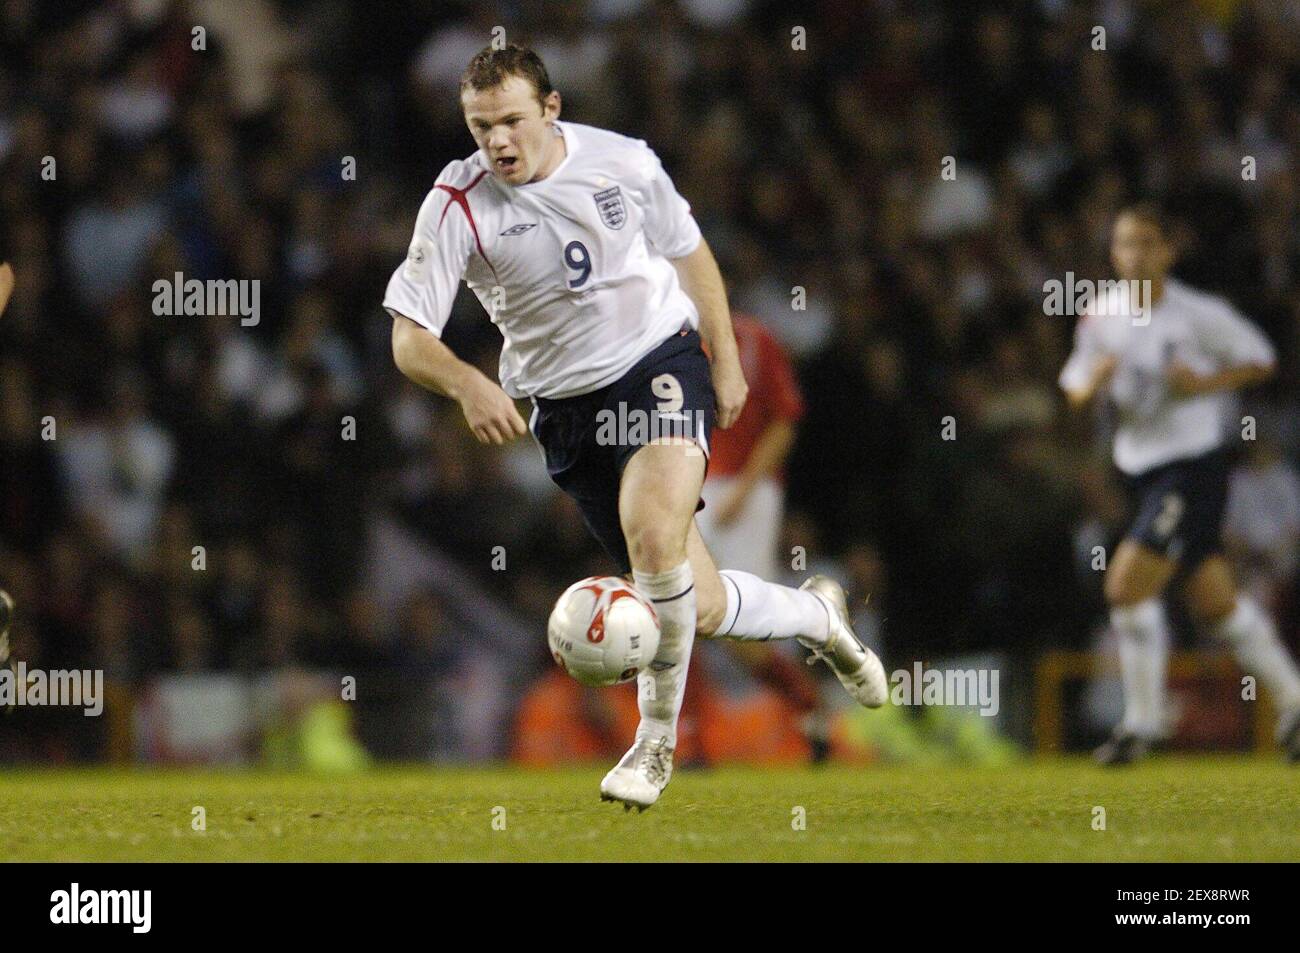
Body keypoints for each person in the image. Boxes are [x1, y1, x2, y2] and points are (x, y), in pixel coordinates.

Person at [384, 44, 886, 809]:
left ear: (551, 109)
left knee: (652, 536)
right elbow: (408, 335)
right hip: (565, 412)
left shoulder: (623, 162)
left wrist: (721, 359)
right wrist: (466, 382)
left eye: (512, 121)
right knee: (700, 602)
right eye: (480, 127)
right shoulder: (457, 203)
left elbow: (689, 251)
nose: (498, 142)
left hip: (657, 363)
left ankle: (655, 747)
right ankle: (820, 615)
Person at [1060, 202, 1300, 764]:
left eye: (1146, 242)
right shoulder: (1100, 314)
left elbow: (1262, 358)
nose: (1135, 255)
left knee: (1123, 587)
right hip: (1139, 473)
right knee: (1217, 604)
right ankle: (1295, 703)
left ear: (1169, 250)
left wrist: (1205, 384)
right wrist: (1091, 383)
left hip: (1192, 468)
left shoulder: (1197, 314)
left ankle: (1141, 726)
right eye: (1124, 244)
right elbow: (1072, 390)